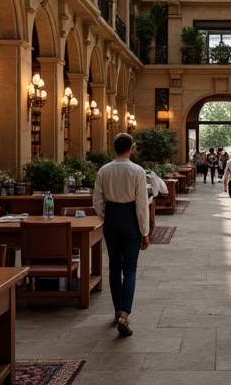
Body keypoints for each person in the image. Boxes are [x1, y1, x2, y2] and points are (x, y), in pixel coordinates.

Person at [93, 132, 150, 337]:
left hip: (112, 217)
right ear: (131, 148)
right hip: (130, 218)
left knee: (114, 266)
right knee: (131, 268)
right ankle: (125, 314)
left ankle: (117, 311)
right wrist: (145, 231)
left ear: (114, 148)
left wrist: (105, 218)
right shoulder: (137, 171)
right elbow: (142, 204)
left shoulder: (104, 170)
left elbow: (97, 200)